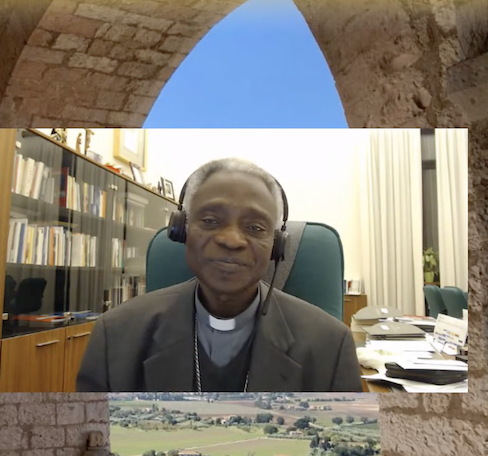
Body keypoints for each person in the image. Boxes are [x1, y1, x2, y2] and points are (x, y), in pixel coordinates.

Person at [76, 158, 362, 393]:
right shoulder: (115, 336)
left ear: (276, 245)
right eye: (211, 221)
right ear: (181, 231)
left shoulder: (330, 346)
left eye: (255, 228)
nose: (231, 240)